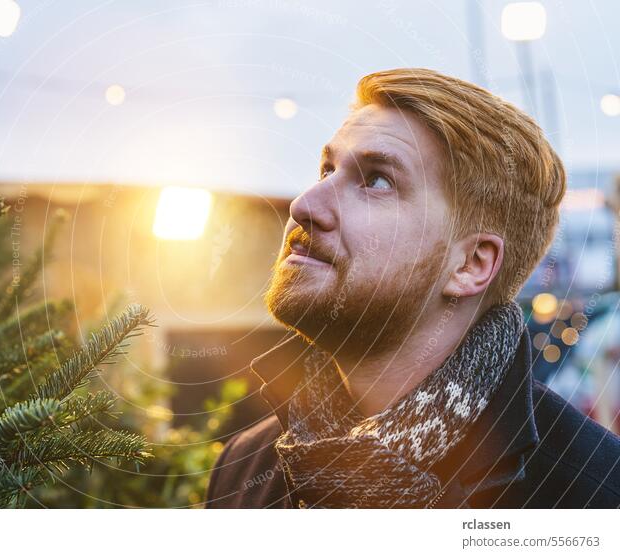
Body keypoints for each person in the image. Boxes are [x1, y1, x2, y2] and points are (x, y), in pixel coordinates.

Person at [204, 68, 620, 508]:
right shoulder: (243, 469)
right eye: (327, 169)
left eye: (376, 180)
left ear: (470, 265)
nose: (304, 205)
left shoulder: (591, 495)